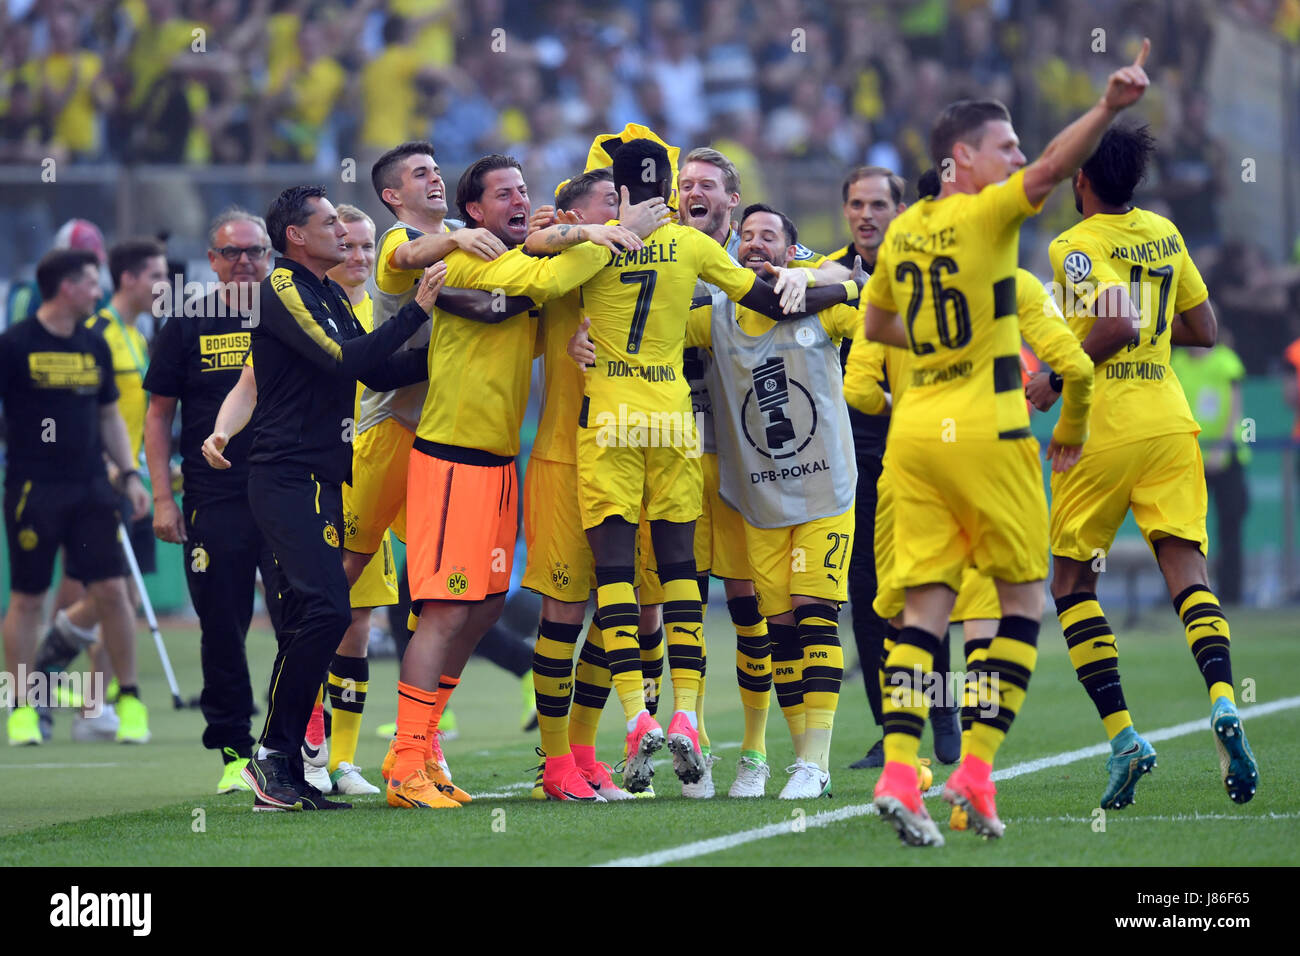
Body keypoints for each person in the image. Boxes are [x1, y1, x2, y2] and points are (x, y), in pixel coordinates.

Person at [863, 40, 1151, 845]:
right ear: (964, 158)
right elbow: (1059, 167)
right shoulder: (987, 211)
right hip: (988, 432)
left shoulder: (907, 228)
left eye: (1021, 145)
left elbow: (879, 322)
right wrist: (1107, 107)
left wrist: (935, 341)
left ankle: (897, 771)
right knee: (1025, 600)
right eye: (1007, 146)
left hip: (915, 434)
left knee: (924, 613)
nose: (1021, 156)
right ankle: (976, 772)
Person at [545, 137, 862, 793]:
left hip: (743, 464)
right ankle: (663, 737)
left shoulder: (763, 254)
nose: (694, 193)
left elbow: (842, 284)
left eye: (706, 185)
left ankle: (752, 750)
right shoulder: (658, 251)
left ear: (732, 200)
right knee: (658, 601)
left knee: (749, 613)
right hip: (677, 441)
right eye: (683, 182)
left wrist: (837, 279)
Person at [385, 154, 652, 810]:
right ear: (474, 212)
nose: (517, 199)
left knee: (482, 610)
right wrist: (609, 231)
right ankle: (404, 761)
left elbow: (546, 308)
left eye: (523, 190)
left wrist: (577, 339)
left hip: (497, 462)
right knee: (444, 612)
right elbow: (550, 278)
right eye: (503, 193)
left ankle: (425, 752)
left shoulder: (516, 263)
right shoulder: (472, 256)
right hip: (450, 457)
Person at [1028, 122, 1258, 810]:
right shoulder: (1164, 232)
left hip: (1101, 427)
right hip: (1169, 420)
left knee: (1070, 583)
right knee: (1187, 570)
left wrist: (1056, 382)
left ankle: (1125, 736)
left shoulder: (1071, 244)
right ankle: (1222, 699)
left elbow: (1117, 322)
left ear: (1083, 180)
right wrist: (1148, 331)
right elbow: (1203, 328)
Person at [206, 184, 445, 812]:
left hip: (317, 478)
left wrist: (451, 357)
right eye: (330, 223)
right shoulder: (282, 287)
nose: (343, 233)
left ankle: (281, 761)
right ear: (296, 236)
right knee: (327, 608)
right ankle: (275, 756)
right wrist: (416, 312)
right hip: (285, 476)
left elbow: (376, 371)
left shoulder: (329, 293)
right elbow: (344, 360)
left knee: (322, 611)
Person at [143, 208, 279, 793]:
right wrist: (162, 498)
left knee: (303, 618)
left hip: (287, 491)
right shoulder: (184, 324)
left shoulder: (292, 313)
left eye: (255, 251)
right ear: (213, 260)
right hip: (212, 497)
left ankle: (294, 744)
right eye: (232, 253)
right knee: (221, 623)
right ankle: (232, 748)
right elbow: (158, 416)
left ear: (272, 254)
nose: (245, 261)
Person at [2, 249, 151, 746]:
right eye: (90, 283)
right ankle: (23, 706)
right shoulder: (15, 344)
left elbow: (109, 414)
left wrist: (129, 473)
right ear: (66, 287)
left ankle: (128, 698)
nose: (98, 292)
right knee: (28, 597)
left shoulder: (93, 344)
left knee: (111, 590)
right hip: (32, 488)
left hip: (92, 486)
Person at [522, 168, 635, 802]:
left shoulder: (648, 259)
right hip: (564, 458)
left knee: (619, 609)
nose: (622, 215)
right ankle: (555, 762)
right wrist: (565, 231)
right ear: (569, 216)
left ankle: (586, 754)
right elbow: (536, 244)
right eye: (607, 207)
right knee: (563, 611)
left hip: (634, 454)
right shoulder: (557, 249)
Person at [1170, 330, 1250, 605]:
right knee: (1180, 529)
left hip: (1227, 460)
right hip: (1189, 459)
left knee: (1230, 526)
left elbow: (1235, 410)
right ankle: (1183, 590)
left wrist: (1221, 449)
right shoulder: (1177, 363)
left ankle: (1231, 592)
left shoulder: (1226, 362)